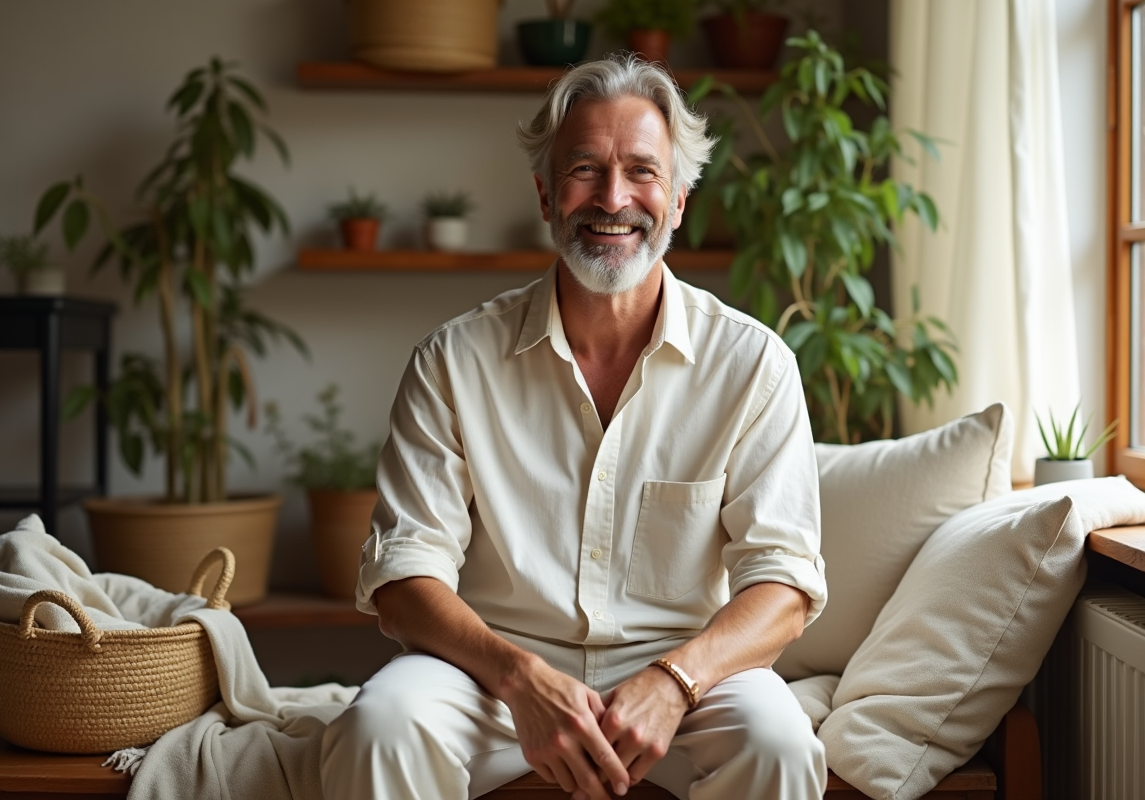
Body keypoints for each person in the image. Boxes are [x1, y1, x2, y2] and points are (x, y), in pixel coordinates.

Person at [320, 54, 828, 800]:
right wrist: (520, 677)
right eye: (585, 169)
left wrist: (676, 679)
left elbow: (783, 584)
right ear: (546, 197)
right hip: (487, 676)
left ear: (680, 199)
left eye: (642, 172)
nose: (613, 198)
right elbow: (403, 579)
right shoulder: (453, 360)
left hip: (687, 681)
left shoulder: (754, 365)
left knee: (779, 744)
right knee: (380, 725)